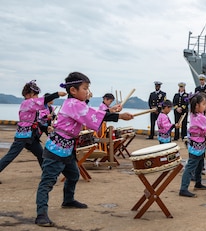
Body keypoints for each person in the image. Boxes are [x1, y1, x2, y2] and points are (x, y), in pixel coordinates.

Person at [35, 72, 134, 227]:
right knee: (47, 182)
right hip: (56, 149)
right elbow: (91, 115)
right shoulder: (72, 104)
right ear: (73, 90)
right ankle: (41, 214)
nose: (87, 92)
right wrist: (119, 116)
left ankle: (68, 200)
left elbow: (93, 114)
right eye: (85, 88)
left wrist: (112, 110)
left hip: (67, 148)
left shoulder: (76, 104)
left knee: (73, 175)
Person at [0, 81, 66, 184]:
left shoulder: (30, 104)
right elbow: (43, 101)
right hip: (23, 136)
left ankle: (47, 176)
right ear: (27, 95)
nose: (37, 97)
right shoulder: (27, 103)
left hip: (31, 135)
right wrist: (57, 94)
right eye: (35, 94)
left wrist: (46, 127)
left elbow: (37, 117)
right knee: (10, 156)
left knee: (41, 154)